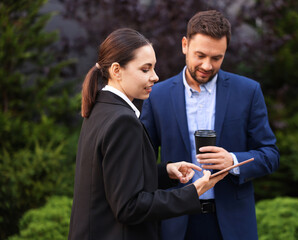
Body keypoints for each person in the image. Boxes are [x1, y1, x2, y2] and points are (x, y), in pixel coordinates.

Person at [68, 28, 227, 240]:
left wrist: (166, 171)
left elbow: (115, 178)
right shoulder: (122, 121)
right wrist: (192, 192)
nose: (155, 76)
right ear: (116, 70)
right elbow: (129, 207)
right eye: (145, 69)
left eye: (153, 68)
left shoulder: (100, 108)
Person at [140, 10, 280, 240]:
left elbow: (271, 155)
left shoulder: (248, 91)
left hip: (232, 227)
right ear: (184, 45)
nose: (207, 65)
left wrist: (233, 161)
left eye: (217, 58)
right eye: (200, 55)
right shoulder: (157, 96)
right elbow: (143, 164)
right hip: (175, 224)